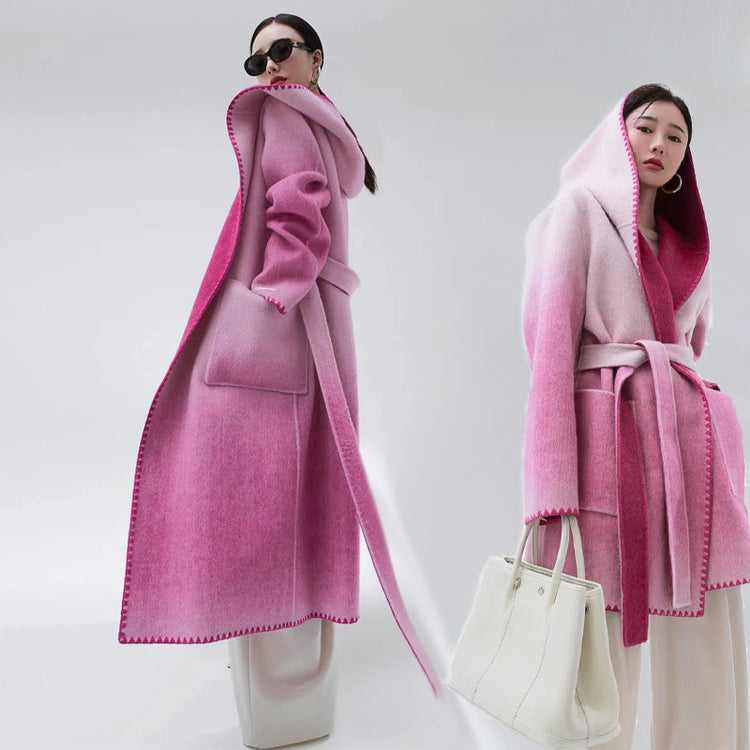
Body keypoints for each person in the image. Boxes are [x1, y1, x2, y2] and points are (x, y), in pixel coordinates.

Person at [117, 12, 437, 748]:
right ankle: (290, 681)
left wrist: (267, 302)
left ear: (316, 58)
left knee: (245, 499)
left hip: (283, 324)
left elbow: (298, 212)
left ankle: (276, 688)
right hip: (315, 326)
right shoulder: (320, 122)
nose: (267, 67)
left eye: (281, 50)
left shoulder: (287, 116)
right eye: (255, 58)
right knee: (299, 496)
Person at [521, 83, 750, 749]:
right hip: (609, 440)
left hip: (689, 446)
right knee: (602, 624)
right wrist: (549, 488)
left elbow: (693, 343)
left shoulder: (688, 241)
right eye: (647, 128)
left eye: (676, 137)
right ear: (616, 135)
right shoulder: (577, 212)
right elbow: (550, 351)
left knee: (702, 615)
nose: (659, 144)